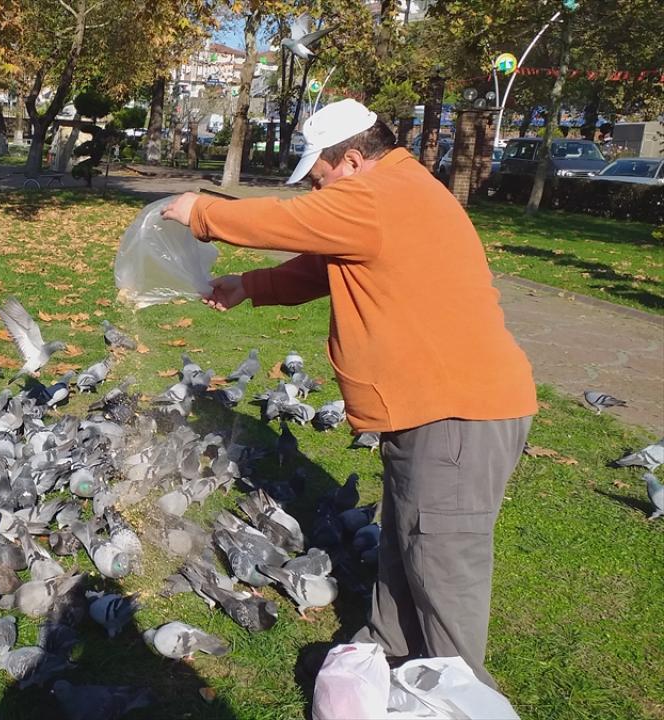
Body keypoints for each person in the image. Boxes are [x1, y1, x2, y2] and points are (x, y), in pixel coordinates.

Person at [161, 98, 537, 689]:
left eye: (319, 180)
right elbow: (324, 265)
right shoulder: (391, 194)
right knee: (408, 541)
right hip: (430, 406)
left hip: (458, 412)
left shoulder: (383, 195)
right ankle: (388, 656)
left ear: (354, 161)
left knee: (443, 567)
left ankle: (457, 694)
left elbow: (286, 222)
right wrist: (250, 285)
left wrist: (201, 211)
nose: (316, 193)